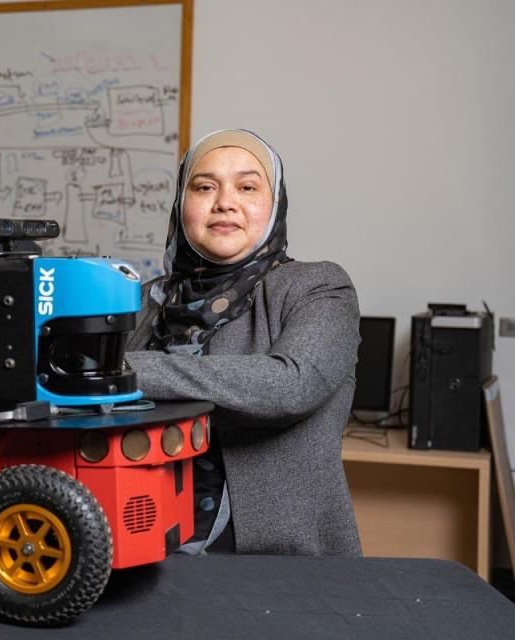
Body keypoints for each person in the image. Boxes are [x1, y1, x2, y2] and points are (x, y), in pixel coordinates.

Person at [125, 129, 361, 556]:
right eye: (204, 187)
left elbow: (290, 385)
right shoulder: (145, 301)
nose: (225, 202)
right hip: (144, 544)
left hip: (276, 562)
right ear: (182, 204)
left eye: (247, 187)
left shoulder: (317, 287)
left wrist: (126, 371)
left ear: (273, 205)